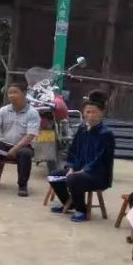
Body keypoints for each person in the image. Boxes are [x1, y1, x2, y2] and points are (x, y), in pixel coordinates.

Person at [49, 91, 114, 222]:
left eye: (94, 112)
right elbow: (73, 150)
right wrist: (71, 167)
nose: (90, 115)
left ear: (101, 113)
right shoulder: (82, 129)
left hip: (97, 175)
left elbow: (101, 158)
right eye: (87, 112)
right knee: (54, 175)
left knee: (74, 179)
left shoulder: (106, 134)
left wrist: (84, 170)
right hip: (78, 169)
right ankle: (69, 202)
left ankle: (81, 210)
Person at [0, 82, 40, 197]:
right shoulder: (3, 110)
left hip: (24, 146)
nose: (12, 95)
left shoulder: (33, 113)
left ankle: (22, 185)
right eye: (10, 93)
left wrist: (15, 149)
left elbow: (30, 135)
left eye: (15, 92)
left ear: (24, 94)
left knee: (24, 154)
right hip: (4, 144)